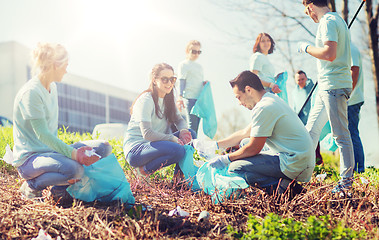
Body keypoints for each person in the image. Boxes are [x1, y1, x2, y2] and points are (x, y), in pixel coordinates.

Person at [13, 43, 112, 201]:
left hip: (51, 154)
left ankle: (59, 191)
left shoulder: (52, 87)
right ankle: (31, 186)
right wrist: (74, 154)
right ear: (55, 65)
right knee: (75, 170)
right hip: (30, 160)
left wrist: (74, 153)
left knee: (103, 147)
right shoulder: (31, 92)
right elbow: (43, 134)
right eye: (65, 66)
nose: (66, 70)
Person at [206, 71, 315, 194]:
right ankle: (281, 183)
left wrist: (225, 159)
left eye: (238, 97)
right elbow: (244, 133)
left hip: (295, 162)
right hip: (299, 158)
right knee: (244, 142)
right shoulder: (269, 100)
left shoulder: (264, 107)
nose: (239, 103)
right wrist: (214, 145)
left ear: (248, 90)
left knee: (236, 168)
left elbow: (253, 148)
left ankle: (287, 190)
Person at [298, 0, 354, 194]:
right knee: (311, 131)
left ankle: (345, 186)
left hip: (334, 85)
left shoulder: (328, 21)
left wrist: (306, 47)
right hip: (326, 85)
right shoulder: (338, 20)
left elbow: (330, 53)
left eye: (307, 12)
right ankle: (299, 175)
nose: (309, 16)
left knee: (341, 136)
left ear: (311, 7)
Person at [124, 63, 196, 178]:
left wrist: (183, 130)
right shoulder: (146, 100)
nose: (169, 83)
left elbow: (179, 120)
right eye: (164, 79)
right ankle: (144, 170)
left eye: (172, 79)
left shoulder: (168, 100)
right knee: (178, 150)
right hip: (136, 150)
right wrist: (172, 138)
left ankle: (178, 179)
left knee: (191, 134)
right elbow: (147, 134)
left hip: (153, 144)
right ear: (154, 80)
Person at [291, 70, 323, 165]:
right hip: (301, 122)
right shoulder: (295, 92)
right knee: (304, 144)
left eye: (302, 79)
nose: (301, 81)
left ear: (306, 78)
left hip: (312, 119)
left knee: (315, 143)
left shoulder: (311, 87)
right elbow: (295, 107)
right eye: (298, 80)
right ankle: (306, 164)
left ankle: (318, 163)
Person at [176, 40, 206, 134]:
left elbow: (197, 82)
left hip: (200, 99)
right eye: (194, 51)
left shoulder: (200, 67)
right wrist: (180, 97)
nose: (196, 54)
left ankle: (194, 146)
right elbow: (182, 80)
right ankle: (190, 146)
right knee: (192, 125)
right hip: (190, 98)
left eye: (198, 52)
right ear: (187, 51)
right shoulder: (183, 64)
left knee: (196, 126)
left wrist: (204, 84)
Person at [349, 43, 365, 173]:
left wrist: (346, 95)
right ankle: (354, 168)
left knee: (352, 134)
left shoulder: (350, 49)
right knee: (350, 134)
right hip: (351, 99)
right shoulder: (346, 48)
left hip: (352, 100)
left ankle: (359, 169)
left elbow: (354, 71)